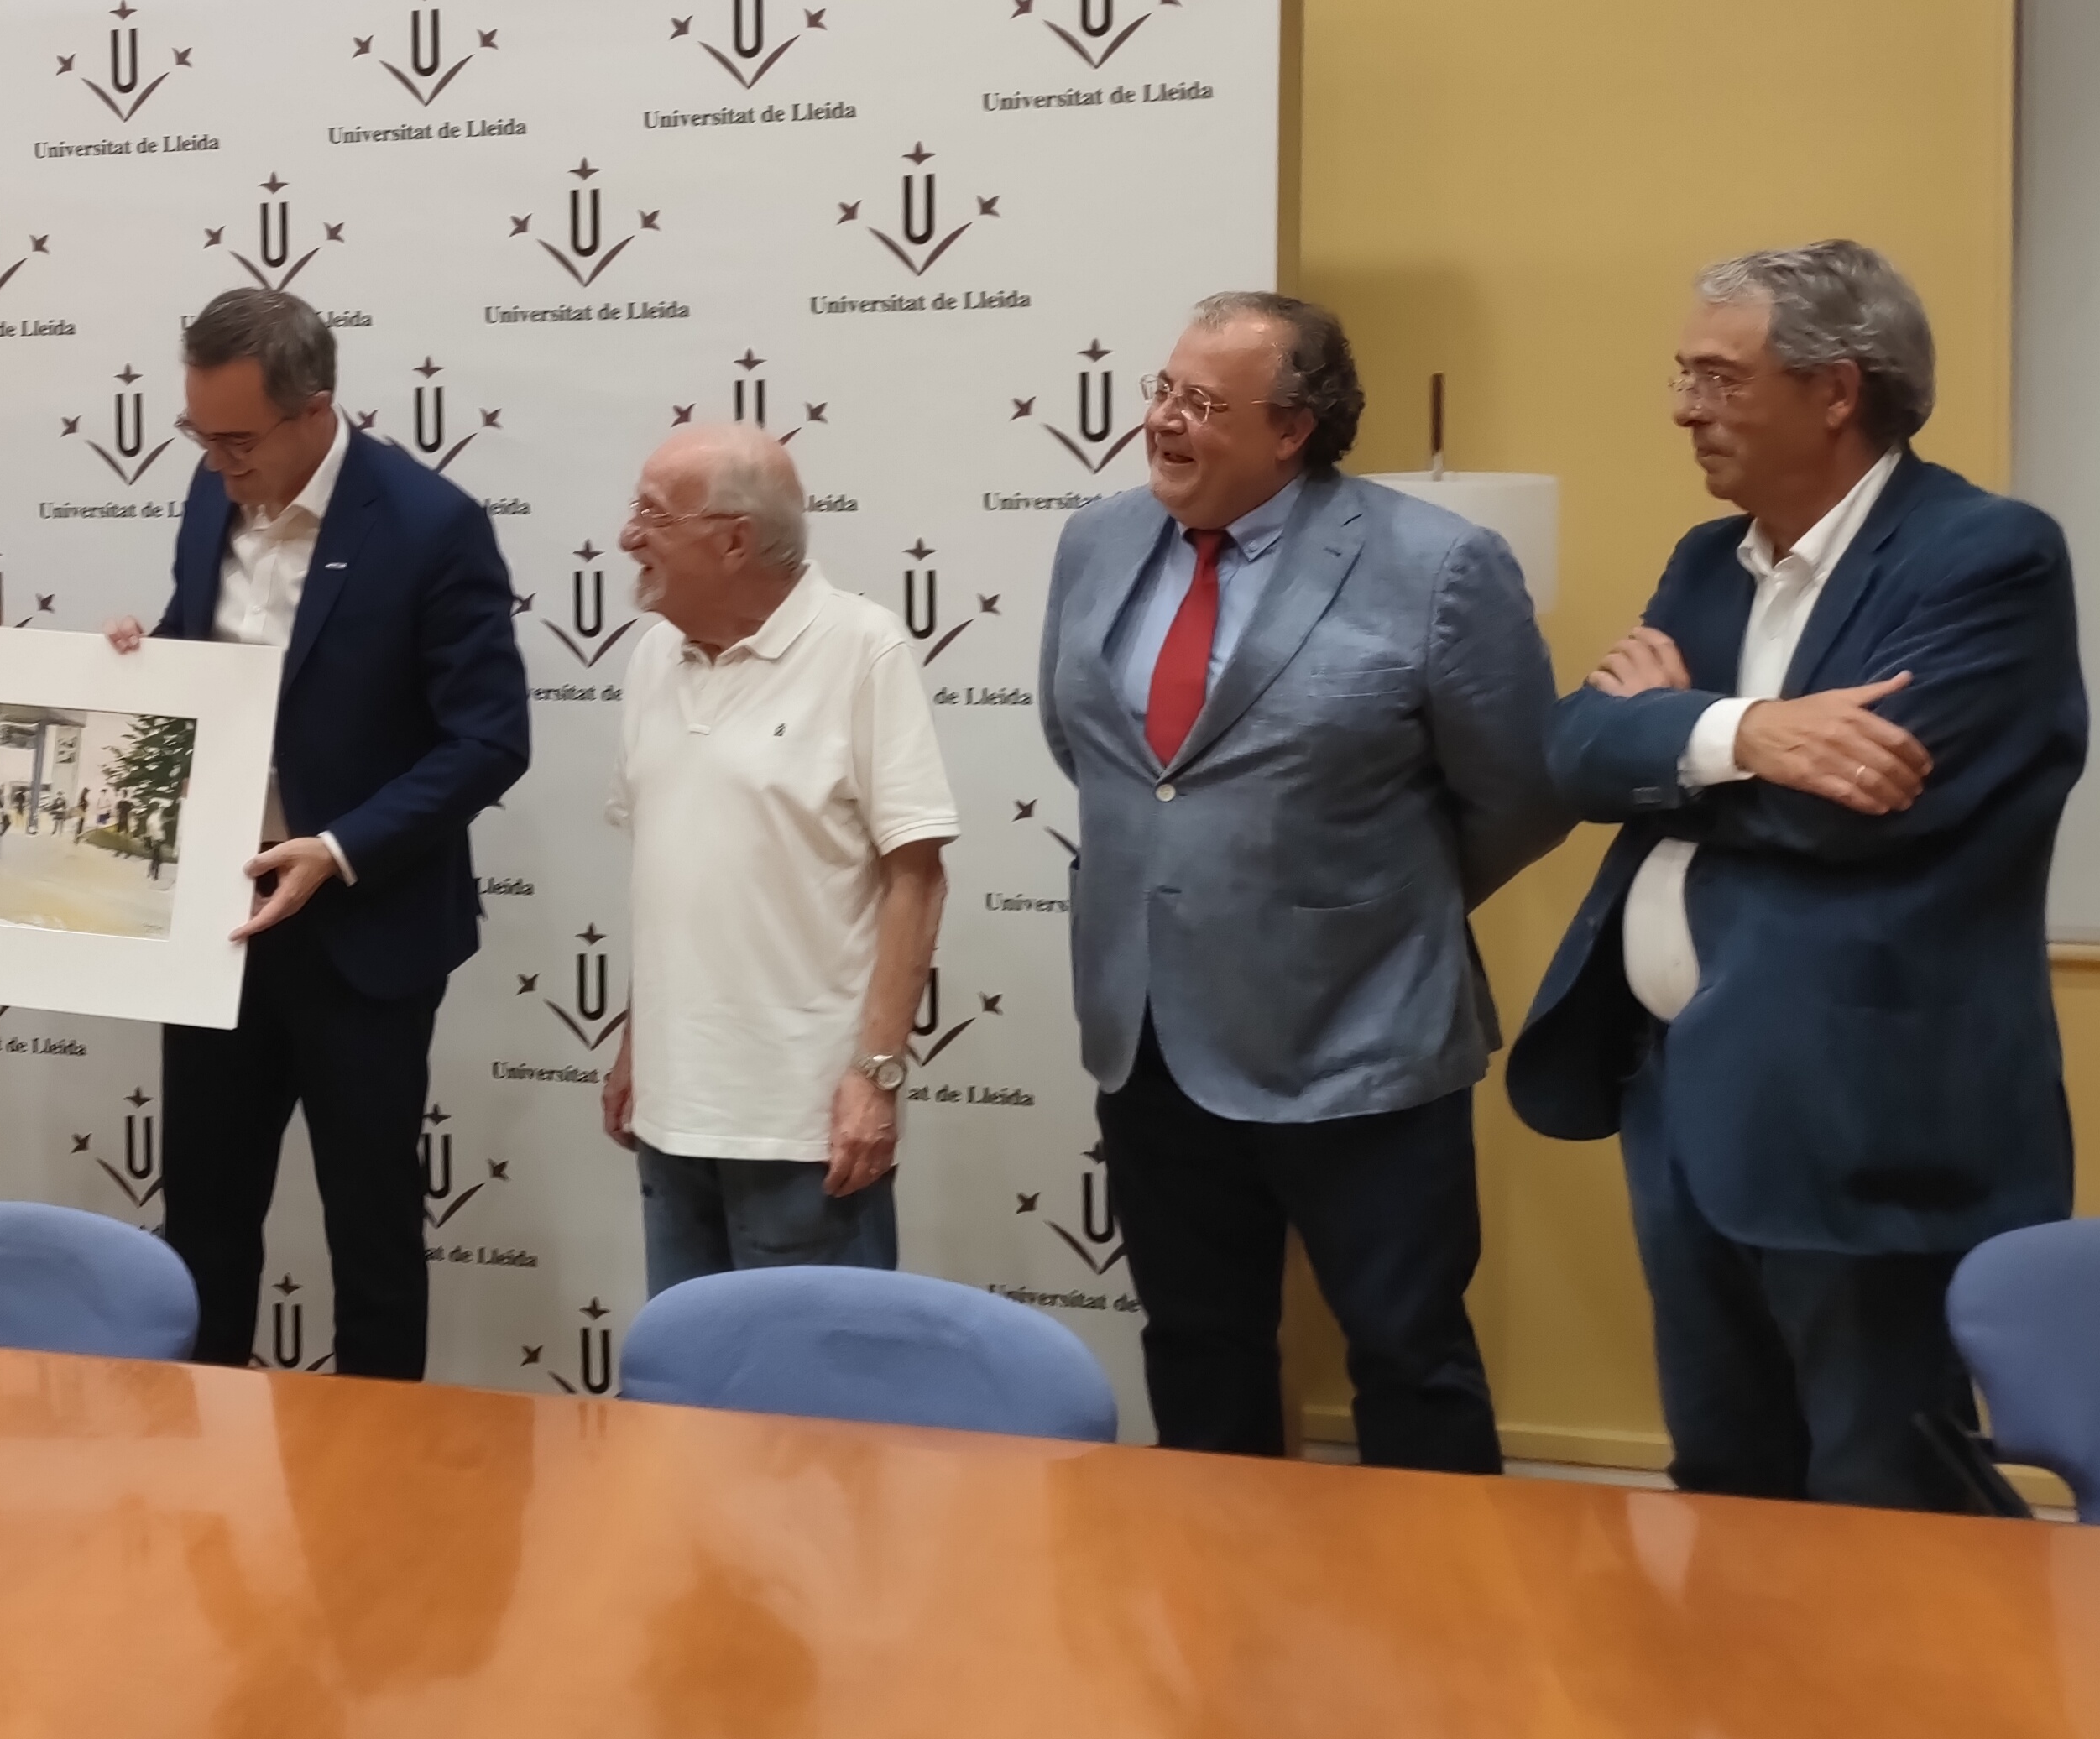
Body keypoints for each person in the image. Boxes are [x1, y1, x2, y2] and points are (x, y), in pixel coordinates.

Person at [1510, 243, 2082, 1510]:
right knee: (1727, 1474)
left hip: (1863, 1111)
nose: (1684, 408)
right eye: (1683, 374)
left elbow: (1864, 815)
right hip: (1679, 1095)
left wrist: (1677, 739)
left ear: (1835, 390)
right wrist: (1751, 734)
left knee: (1888, 1488)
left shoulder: (1986, 555)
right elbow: (1576, 755)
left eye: (1719, 376)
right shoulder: (1707, 561)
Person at [1036, 290, 1567, 1468]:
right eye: (1164, 391)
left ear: (1291, 429)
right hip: (1150, 1033)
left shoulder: (1439, 564)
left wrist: (1364, 907)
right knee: (1197, 1347)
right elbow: (1094, 754)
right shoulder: (1096, 541)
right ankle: (1218, 1580)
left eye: (1201, 403)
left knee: (1408, 1356)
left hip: (1358, 1034)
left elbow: (1522, 793)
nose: (1162, 421)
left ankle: (1439, 1585)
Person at [95, 285, 530, 1381]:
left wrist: (336, 852)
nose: (215, 463)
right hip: (222, 923)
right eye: (197, 435)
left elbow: (489, 739)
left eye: (237, 441)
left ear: (315, 411)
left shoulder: (431, 527)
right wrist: (147, 662)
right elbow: (210, 662)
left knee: (370, 1230)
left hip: (363, 934)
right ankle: (199, 1457)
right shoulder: (210, 498)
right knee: (202, 1227)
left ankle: (379, 1473)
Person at [600, 426, 955, 1291]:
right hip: (670, 1117)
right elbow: (679, 871)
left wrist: (876, 1077)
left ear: (735, 539)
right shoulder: (652, 658)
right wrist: (636, 1044)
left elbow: (916, 878)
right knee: (686, 1369)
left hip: (806, 1130)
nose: (627, 536)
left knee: (811, 1377)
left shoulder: (862, 648)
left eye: (653, 514)